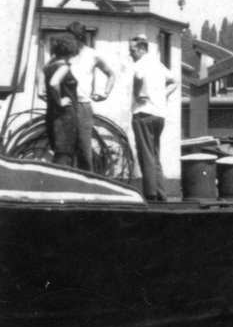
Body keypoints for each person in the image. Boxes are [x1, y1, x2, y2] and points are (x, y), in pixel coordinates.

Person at [128, 35, 176, 199]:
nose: (131, 54)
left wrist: (136, 95)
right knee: (154, 155)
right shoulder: (158, 64)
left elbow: (139, 77)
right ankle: (161, 194)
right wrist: (163, 95)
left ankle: (150, 195)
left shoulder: (140, 64)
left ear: (142, 49)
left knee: (145, 155)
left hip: (144, 113)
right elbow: (174, 81)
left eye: (133, 51)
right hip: (159, 115)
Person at [64, 21, 116, 173]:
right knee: (64, 147)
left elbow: (111, 74)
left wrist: (105, 93)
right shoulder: (64, 53)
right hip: (65, 105)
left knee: (84, 149)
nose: (70, 42)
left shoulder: (93, 55)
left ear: (80, 37)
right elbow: (46, 70)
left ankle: (87, 183)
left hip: (82, 106)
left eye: (73, 38)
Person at [40, 34, 83, 168]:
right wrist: (60, 101)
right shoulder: (63, 67)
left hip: (52, 114)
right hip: (65, 115)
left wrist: (41, 91)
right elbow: (54, 83)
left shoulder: (50, 67)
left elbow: (44, 77)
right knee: (64, 155)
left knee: (59, 152)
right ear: (71, 49)